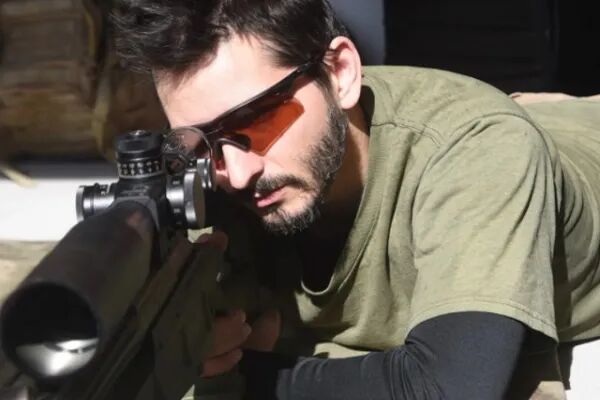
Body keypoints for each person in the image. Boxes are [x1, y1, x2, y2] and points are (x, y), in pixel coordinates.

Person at [112, 0, 600, 398]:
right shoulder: (222, 177)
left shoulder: (480, 151)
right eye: (200, 143)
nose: (237, 173)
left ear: (340, 72)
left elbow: (449, 387)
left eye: (260, 121)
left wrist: (241, 375)